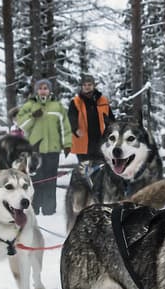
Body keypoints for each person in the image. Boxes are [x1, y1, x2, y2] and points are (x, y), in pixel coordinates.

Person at [15, 78, 72, 216]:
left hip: (53, 149)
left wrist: (67, 144)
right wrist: (33, 116)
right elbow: (21, 124)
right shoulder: (29, 105)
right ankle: (34, 208)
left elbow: (65, 127)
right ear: (36, 90)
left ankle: (49, 210)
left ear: (50, 90)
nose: (43, 90)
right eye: (40, 88)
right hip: (34, 151)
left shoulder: (57, 107)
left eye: (45, 88)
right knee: (36, 180)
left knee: (50, 179)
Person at [67, 74, 114, 162]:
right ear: (81, 86)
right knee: (85, 169)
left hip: (101, 141)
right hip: (83, 141)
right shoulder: (76, 102)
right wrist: (76, 129)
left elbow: (110, 118)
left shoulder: (103, 100)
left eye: (89, 85)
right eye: (84, 85)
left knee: (100, 168)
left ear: (94, 86)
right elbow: (71, 118)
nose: (87, 87)